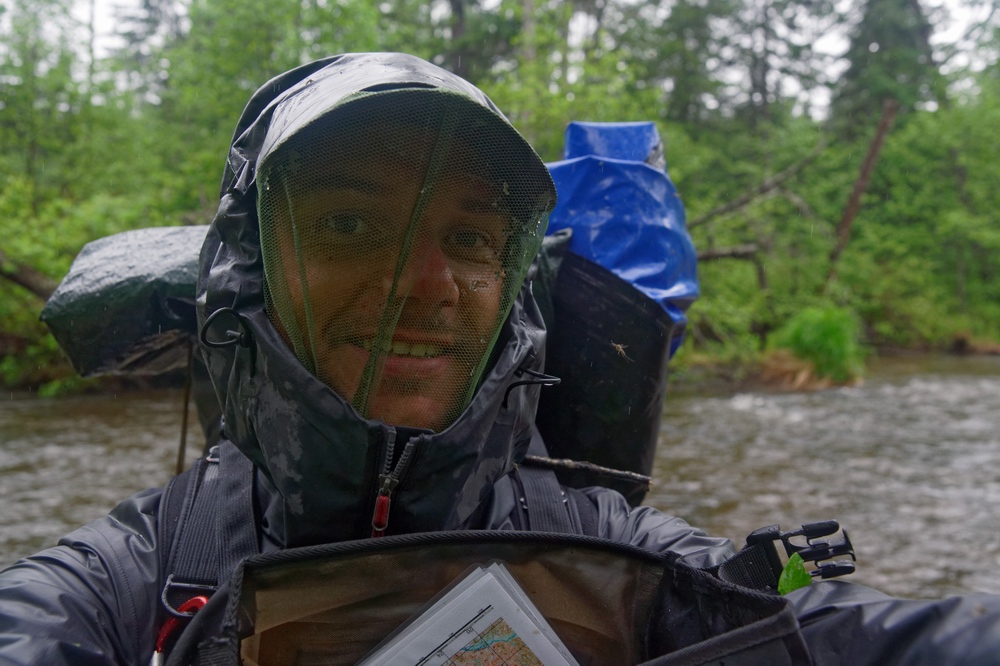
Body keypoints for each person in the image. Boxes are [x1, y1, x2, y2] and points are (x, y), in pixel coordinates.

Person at [1, 52, 999, 665]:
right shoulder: (125, 583)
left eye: (473, 238)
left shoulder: (610, 555)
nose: (426, 282)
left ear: (512, 285)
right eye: (350, 224)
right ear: (250, 272)